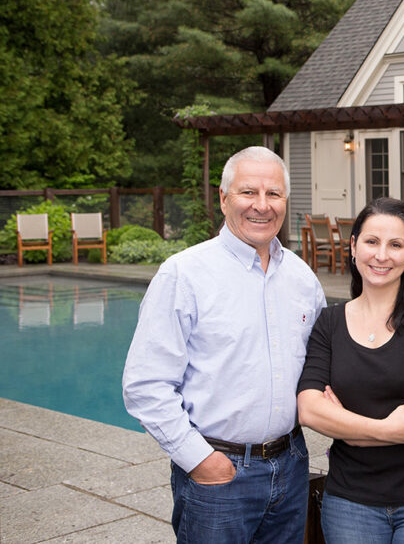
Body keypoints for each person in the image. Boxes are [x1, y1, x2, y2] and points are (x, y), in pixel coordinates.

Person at [123, 146, 326, 543]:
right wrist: (200, 461)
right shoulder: (184, 275)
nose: (262, 206)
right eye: (248, 192)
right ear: (223, 197)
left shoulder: (303, 280)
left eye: (274, 194)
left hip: (291, 465)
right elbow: (145, 385)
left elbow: (321, 370)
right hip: (219, 475)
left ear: (286, 200)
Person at [297, 197, 404, 543]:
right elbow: (309, 409)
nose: (382, 255)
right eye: (372, 242)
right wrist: (388, 430)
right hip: (351, 498)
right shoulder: (329, 322)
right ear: (354, 246)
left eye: (396, 245)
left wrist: (347, 429)